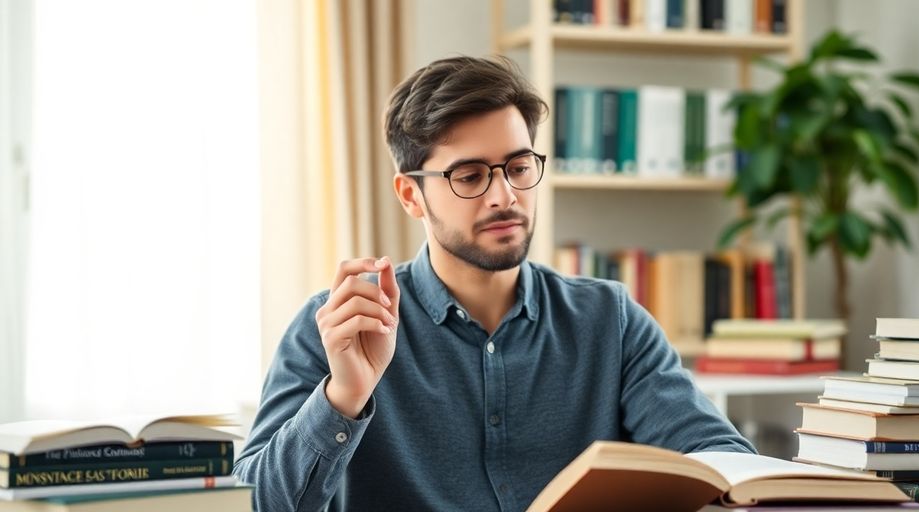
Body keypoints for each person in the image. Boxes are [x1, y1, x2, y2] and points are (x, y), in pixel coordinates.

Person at [234, 55, 755, 512]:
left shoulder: (609, 321)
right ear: (411, 195)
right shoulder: (341, 326)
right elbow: (254, 503)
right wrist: (343, 396)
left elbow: (719, 460)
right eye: (469, 176)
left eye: (518, 166)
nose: (504, 195)